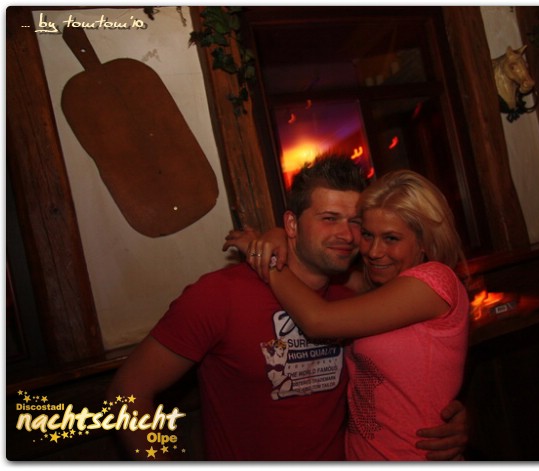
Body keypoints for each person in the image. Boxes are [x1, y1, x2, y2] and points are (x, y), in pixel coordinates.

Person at [108, 154, 467, 461]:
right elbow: (126, 393)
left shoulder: (357, 293)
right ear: (292, 224)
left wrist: (451, 415)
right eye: (329, 218)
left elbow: (411, 369)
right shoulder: (220, 295)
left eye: (356, 223)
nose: (347, 235)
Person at [241, 169, 470, 460]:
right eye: (367, 235)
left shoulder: (434, 281)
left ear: (424, 241)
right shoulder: (378, 285)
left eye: (391, 238)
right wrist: (279, 235)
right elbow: (320, 263)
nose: (373, 251)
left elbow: (318, 320)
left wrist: (267, 259)